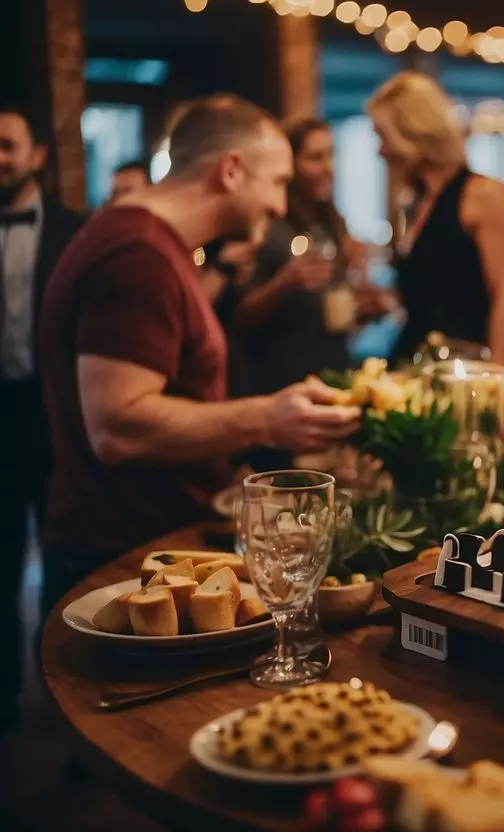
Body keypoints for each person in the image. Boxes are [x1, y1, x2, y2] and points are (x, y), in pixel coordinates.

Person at [38, 95, 362, 616]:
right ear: (231, 170)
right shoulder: (136, 254)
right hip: (128, 564)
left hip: (146, 549)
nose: (281, 206)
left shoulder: (147, 242)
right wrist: (267, 419)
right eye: (277, 181)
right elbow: (117, 427)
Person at [0, 104, 84, 721]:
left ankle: (70, 703)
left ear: (36, 156)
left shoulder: (75, 232)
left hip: (54, 416)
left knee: (63, 560)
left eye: (7, 145)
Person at [232, 117, 392, 402]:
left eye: (331, 155)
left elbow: (331, 313)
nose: (328, 167)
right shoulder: (266, 225)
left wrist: (364, 304)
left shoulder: (331, 221)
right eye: (315, 158)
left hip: (333, 374)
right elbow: (236, 318)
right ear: (290, 165)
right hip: (280, 383)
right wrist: (284, 283)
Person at [367, 72, 504, 365]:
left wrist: (497, 380)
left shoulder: (484, 194)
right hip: (411, 358)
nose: (380, 150)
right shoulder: (414, 200)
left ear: (415, 132)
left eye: (383, 136)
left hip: (466, 364)